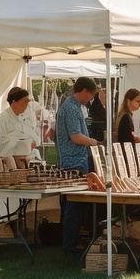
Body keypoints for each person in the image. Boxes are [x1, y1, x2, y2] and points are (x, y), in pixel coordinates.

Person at [56, 77, 100, 254]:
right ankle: (70, 244)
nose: (91, 99)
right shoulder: (71, 109)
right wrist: (92, 141)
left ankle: (71, 241)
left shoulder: (71, 107)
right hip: (73, 162)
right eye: (91, 95)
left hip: (74, 160)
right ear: (84, 91)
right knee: (74, 205)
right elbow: (76, 136)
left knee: (74, 205)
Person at [0, 86, 36, 164]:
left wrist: (30, 142)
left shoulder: (20, 118)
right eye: (23, 103)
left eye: (27, 103)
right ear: (14, 102)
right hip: (4, 161)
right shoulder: (2, 120)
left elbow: (30, 135)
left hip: (21, 159)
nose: (26, 106)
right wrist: (21, 142)